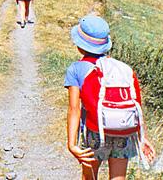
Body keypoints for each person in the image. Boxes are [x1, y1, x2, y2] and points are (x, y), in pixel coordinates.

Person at [64, 15, 155, 180]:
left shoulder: (76, 69)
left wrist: (71, 144)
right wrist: (143, 137)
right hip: (123, 129)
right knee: (118, 178)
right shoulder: (123, 69)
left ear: (79, 45)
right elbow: (137, 106)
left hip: (94, 131)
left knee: (89, 177)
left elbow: (74, 109)